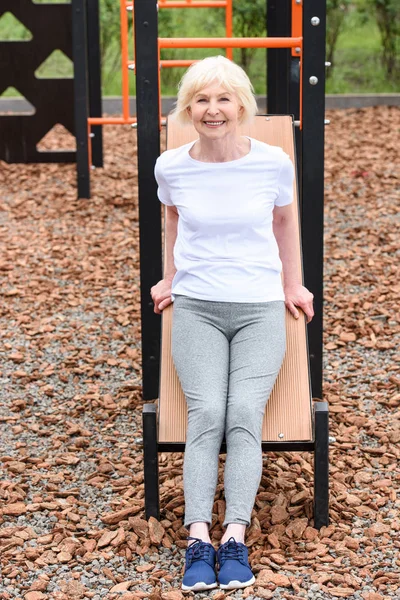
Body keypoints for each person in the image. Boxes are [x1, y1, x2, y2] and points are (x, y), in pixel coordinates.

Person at [150, 55, 314, 592]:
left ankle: (236, 538)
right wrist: (170, 275)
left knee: (243, 410)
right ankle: (199, 536)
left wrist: (293, 284)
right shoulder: (171, 165)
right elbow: (173, 218)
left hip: (258, 306)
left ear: (241, 105)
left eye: (223, 99)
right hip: (196, 304)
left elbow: (286, 221)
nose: (212, 109)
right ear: (187, 108)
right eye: (201, 99)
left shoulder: (271, 162)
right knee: (207, 412)